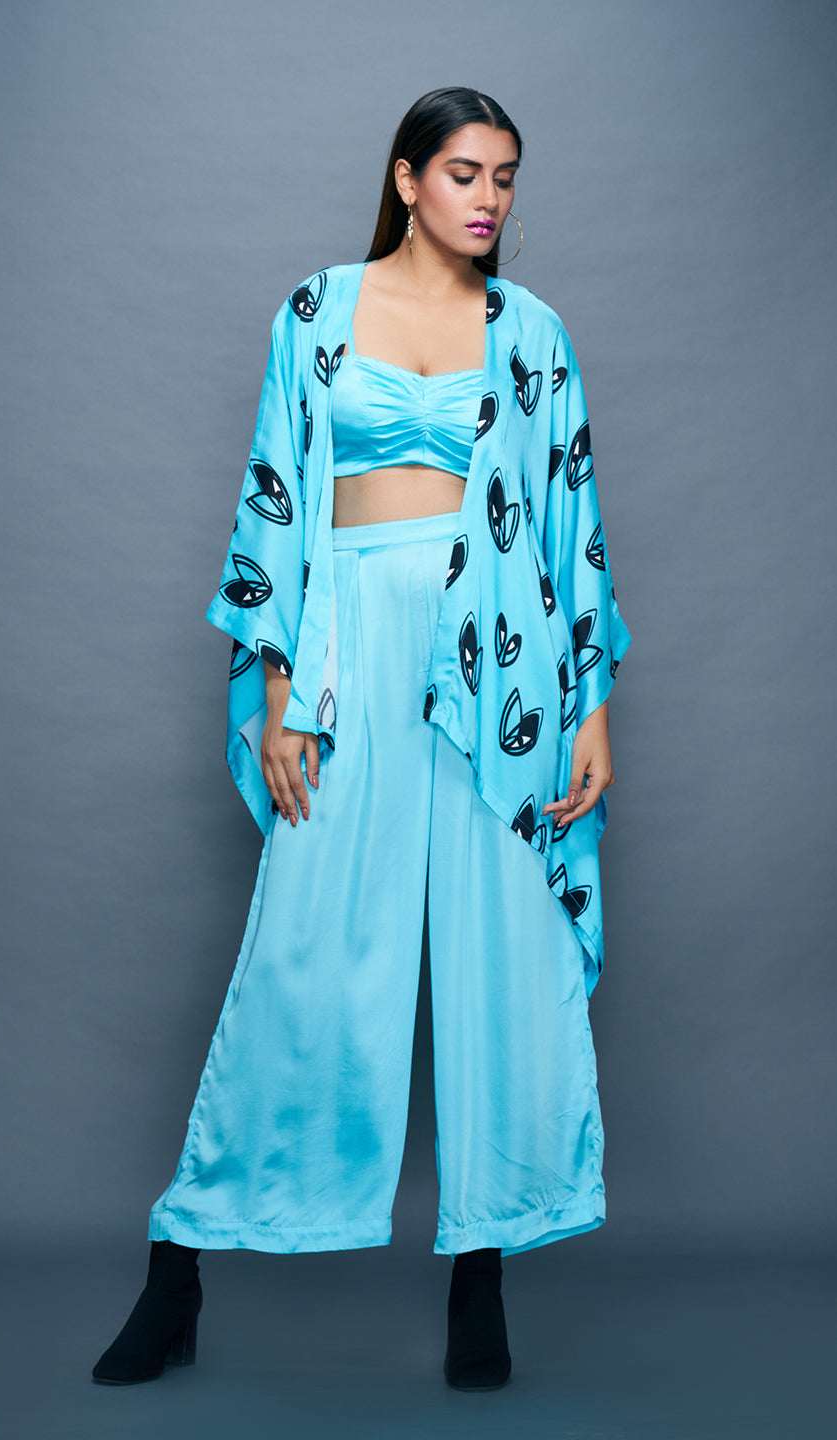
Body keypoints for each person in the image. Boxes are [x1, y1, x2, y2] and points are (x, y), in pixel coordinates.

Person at [92, 85, 633, 1393]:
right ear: (406, 179)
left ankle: (480, 1276)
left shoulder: (535, 332)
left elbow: (572, 526)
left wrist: (591, 713)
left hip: (500, 669)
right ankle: (177, 1270)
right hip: (349, 653)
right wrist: (284, 688)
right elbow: (276, 497)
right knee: (307, 957)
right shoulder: (318, 311)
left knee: (504, 964)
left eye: (505, 175)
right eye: (463, 172)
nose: (488, 197)